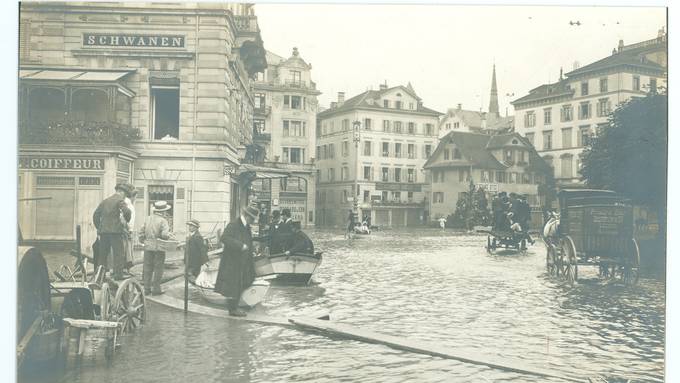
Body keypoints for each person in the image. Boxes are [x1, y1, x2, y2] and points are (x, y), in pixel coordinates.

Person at [214, 205, 259, 317]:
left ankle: (233, 306)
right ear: (247, 217)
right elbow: (224, 238)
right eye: (252, 219)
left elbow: (248, 241)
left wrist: (252, 250)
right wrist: (240, 246)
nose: (253, 222)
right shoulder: (234, 224)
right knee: (234, 285)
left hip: (243, 261)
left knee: (245, 281)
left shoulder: (246, 226)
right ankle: (232, 309)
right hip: (232, 261)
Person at [93, 183, 132, 280]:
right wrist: (126, 220)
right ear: (121, 192)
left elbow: (95, 215)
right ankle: (118, 275)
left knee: (103, 255)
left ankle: (99, 277)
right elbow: (127, 212)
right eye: (125, 194)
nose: (125, 197)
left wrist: (99, 227)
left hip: (104, 233)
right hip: (116, 232)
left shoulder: (105, 201)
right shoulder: (120, 201)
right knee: (118, 253)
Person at [139, 201, 174, 295]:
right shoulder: (163, 221)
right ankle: (156, 289)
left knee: (147, 267)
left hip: (148, 246)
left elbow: (141, 232)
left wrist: (143, 241)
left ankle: (146, 289)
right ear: (163, 211)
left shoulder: (148, 219)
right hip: (159, 247)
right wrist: (169, 236)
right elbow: (164, 234)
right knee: (158, 267)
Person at [122, 185, 137, 274]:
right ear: (132, 196)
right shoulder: (129, 205)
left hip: (126, 230)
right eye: (135, 197)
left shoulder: (126, 203)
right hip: (127, 231)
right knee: (127, 251)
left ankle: (126, 269)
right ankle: (126, 269)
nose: (135, 199)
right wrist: (129, 230)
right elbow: (128, 220)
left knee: (126, 251)